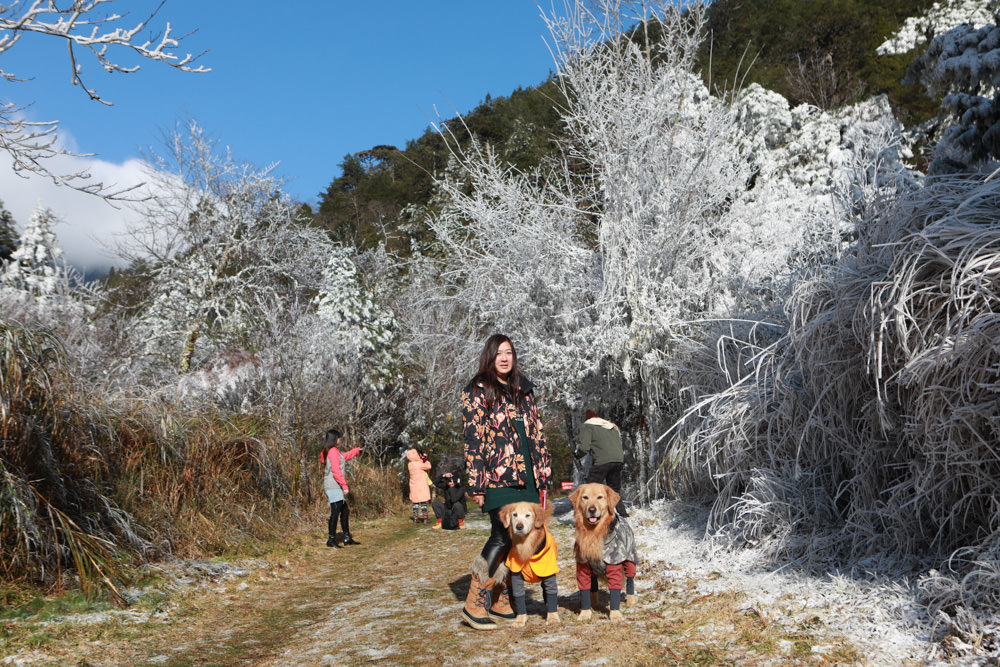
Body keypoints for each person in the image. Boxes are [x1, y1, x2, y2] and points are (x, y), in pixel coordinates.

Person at [460, 333, 552, 630]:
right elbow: (473, 439)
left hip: (527, 475)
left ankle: (500, 597)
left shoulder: (523, 389)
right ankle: (476, 601)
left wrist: (544, 475)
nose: (504, 357)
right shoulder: (479, 388)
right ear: (490, 356)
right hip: (497, 476)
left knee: (516, 539)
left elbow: (537, 432)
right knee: (502, 535)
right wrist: (476, 483)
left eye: (509, 352)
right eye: (499, 352)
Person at [575, 409, 628, 517]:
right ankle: (623, 514)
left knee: (589, 490)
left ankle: (585, 516)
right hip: (618, 460)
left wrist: (577, 454)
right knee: (614, 491)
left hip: (602, 461)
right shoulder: (610, 426)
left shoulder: (588, 426)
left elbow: (584, 447)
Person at [320, 428, 362, 548]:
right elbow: (336, 470)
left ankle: (347, 537)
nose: (340, 440)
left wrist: (356, 451)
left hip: (334, 485)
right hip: (333, 486)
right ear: (334, 439)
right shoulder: (332, 451)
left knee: (345, 511)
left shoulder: (332, 451)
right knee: (335, 512)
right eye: (339, 437)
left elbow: (343, 457)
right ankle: (331, 539)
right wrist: (344, 485)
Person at [406, 447, 432, 523]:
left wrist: (421, 459)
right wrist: (425, 459)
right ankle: (425, 518)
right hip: (421, 486)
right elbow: (428, 466)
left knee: (416, 502)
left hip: (414, 486)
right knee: (423, 502)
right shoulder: (419, 464)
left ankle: (415, 517)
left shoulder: (410, 464)